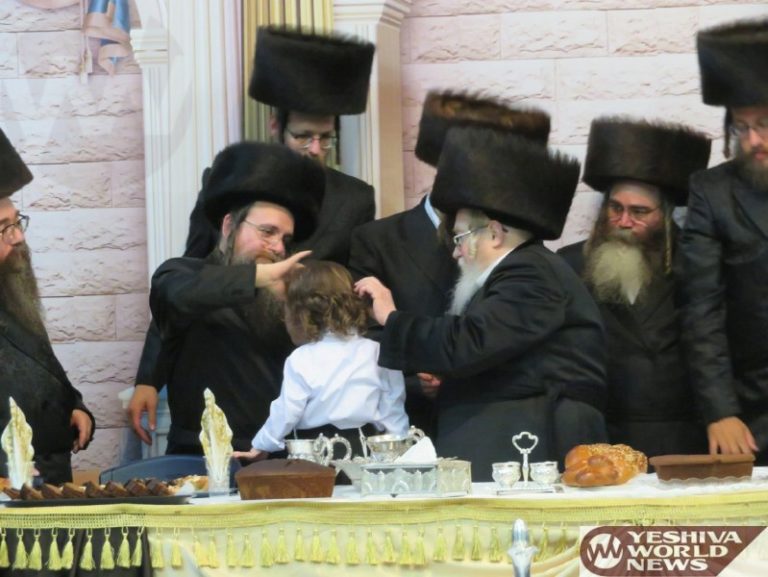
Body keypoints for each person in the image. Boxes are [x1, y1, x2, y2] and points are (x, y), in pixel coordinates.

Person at [130, 26, 378, 441]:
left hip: (299, 374)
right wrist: (149, 378)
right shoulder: (231, 184)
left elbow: (353, 295)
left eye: (326, 139)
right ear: (275, 126)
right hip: (221, 364)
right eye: (303, 136)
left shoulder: (354, 198)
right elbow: (186, 283)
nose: (315, 149)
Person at [356, 126, 608, 481]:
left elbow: (471, 342)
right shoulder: (521, 271)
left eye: (460, 237)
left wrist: (391, 316)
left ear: (494, 232)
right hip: (514, 432)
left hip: (531, 437)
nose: (456, 252)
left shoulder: (530, 273)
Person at [348, 90, 550, 436]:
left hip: (491, 421)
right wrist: (415, 379)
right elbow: (363, 332)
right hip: (409, 425)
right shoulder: (378, 239)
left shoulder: (512, 241)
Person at [132, 142, 324, 454]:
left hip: (274, 456)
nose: (278, 248)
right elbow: (175, 300)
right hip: (197, 456)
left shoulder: (289, 290)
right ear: (229, 225)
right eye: (267, 232)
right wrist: (148, 379)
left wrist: (293, 303)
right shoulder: (183, 273)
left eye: (285, 239)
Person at [558, 116, 711, 459]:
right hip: (599, 438)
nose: (624, 222)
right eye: (616, 208)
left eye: (639, 212)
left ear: (666, 215)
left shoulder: (697, 265)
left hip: (681, 441)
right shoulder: (569, 266)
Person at [676, 18, 768, 464]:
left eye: (765, 124)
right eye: (741, 128)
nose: (753, 140)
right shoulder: (711, 192)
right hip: (753, 411)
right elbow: (701, 310)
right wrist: (720, 410)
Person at [234, 260, 408, 461]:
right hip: (365, 454)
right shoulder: (377, 352)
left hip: (313, 455)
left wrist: (261, 445)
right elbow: (393, 408)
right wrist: (401, 453)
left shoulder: (301, 358)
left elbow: (287, 411)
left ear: (299, 313)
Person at [0, 128, 94, 484]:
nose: (19, 237)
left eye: (17, 222)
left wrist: (74, 405)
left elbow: (41, 371)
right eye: (4, 228)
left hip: (46, 486)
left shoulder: (12, 293)